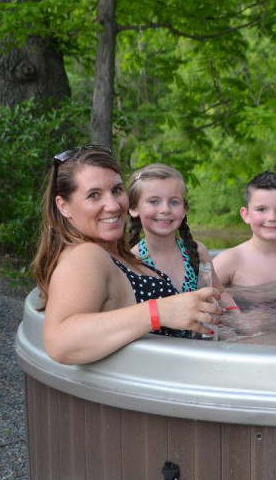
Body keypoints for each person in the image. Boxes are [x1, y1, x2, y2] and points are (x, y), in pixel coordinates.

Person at [32, 146, 223, 365]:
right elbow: (60, 342)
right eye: (94, 195)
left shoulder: (115, 255)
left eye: (116, 190)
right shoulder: (86, 254)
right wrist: (159, 311)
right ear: (63, 206)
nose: (113, 206)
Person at [127, 163, 238, 310]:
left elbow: (221, 293)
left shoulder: (197, 251)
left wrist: (240, 321)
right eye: (154, 201)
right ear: (134, 208)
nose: (165, 209)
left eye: (174, 202)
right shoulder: (132, 260)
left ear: (184, 209)